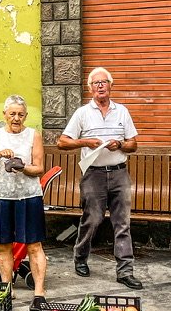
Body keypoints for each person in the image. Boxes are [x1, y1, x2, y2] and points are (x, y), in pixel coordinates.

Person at [58, 67, 142, 289]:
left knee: (122, 223)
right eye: (96, 83)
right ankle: (80, 256)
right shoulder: (82, 113)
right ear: (90, 89)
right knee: (92, 219)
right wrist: (86, 142)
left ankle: (125, 271)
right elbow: (62, 141)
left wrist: (121, 144)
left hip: (119, 173)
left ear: (111, 86)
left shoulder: (122, 111)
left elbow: (134, 144)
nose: (100, 86)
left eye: (104, 82)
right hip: (93, 174)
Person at [0, 95, 48, 311]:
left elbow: (39, 168)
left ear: (25, 115)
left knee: (34, 245)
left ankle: (39, 293)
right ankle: (7, 290)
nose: (16, 118)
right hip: (1, 196)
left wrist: (22, 167)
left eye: (20, 114)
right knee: (4, 245)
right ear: (5, 114)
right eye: (12, 114)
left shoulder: (33, 135)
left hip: (28, 196)